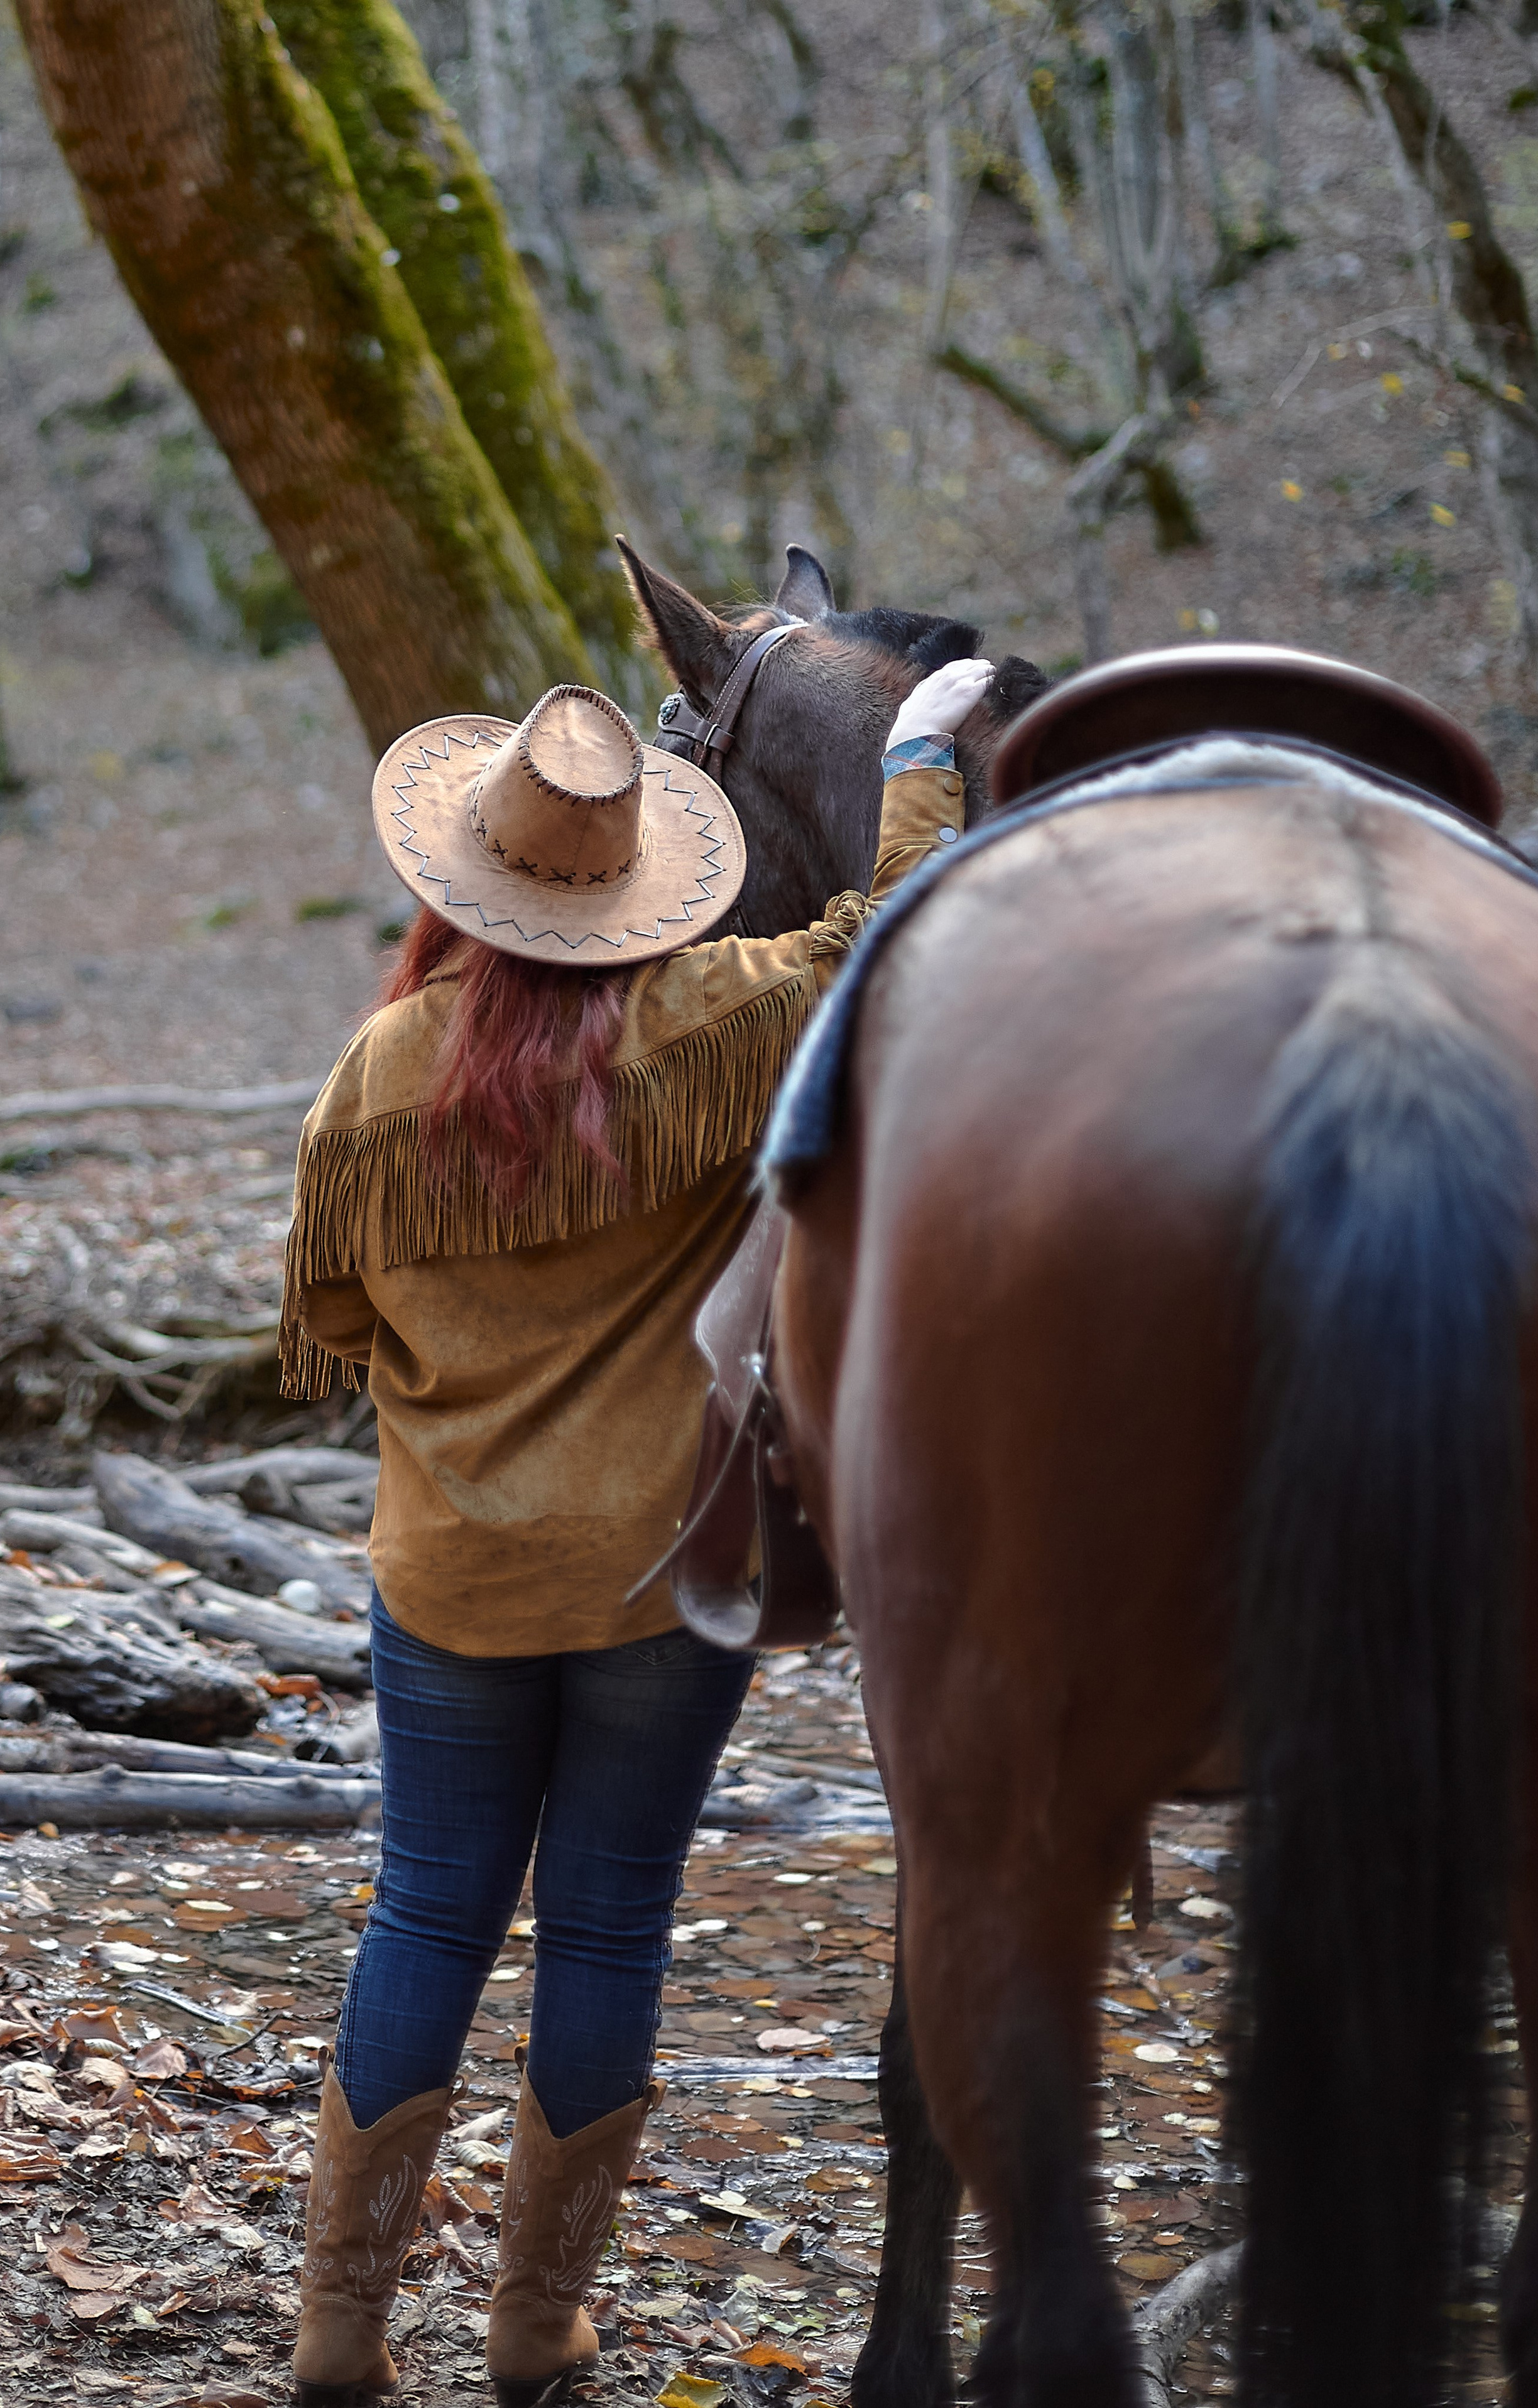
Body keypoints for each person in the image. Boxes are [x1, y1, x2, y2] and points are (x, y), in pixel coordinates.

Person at [278, 651, 993, 2408]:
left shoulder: (379, 1076)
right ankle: (536, 2329)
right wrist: (913, 759)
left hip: (447, 1574)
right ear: (638, 884)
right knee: (608, 1932)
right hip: (663, 1580)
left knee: (426, 1918)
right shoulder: (721, 1023)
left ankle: (338, 2336)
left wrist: (457, 1401)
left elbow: (335, 1317)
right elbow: (879, 939)